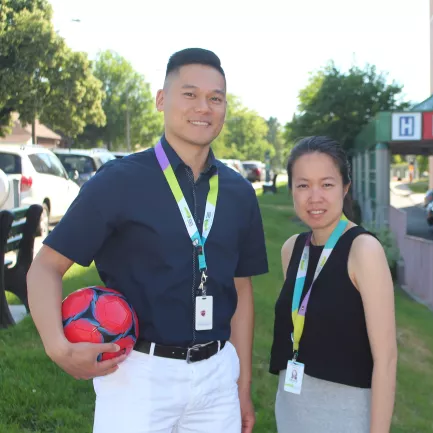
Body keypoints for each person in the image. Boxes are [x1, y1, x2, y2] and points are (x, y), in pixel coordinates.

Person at [26, 48, 268, 433]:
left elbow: (242, 290)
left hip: (218, 376)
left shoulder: (239, 192)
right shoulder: (118, 181)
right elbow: (46, 266)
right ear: (161, 99)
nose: (202, 107)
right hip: (137, 374)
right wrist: (59, 347)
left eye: (215, 98)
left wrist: (242, 387)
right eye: (189, 94)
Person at [268, 136, 398, 433]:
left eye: (326, 184)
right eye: (303, 185)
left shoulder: (363, 251)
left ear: (345, 188)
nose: (315, 197)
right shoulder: (292, 249)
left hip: (345, 417)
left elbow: (387, 359)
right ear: (292, 190)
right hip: (291, 414)